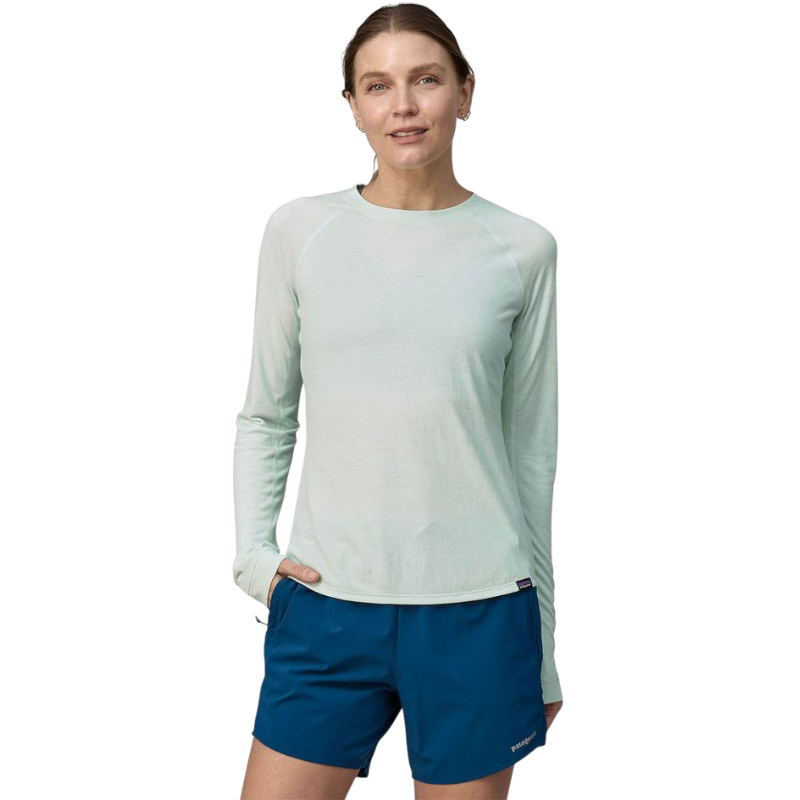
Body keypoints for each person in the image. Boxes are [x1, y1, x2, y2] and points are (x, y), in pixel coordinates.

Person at [234, 4, 562, 798]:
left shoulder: (523, 248)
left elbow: (531, 455)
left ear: (466, 92)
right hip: (326, 601)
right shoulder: (299, 230)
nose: (404, 106)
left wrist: (545, 645)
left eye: (426, 80)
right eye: (378, 86)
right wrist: (253, 560)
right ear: (352, 106)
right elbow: (267, 415)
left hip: (482, 610)